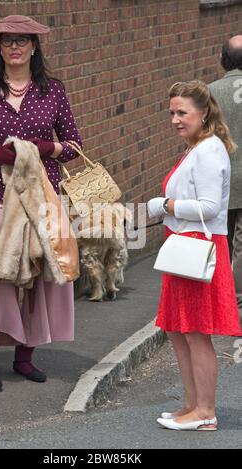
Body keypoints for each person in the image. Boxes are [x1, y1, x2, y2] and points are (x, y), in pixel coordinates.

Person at [0, 15, 82, 392]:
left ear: (34, 47)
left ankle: (25, 358)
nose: (15, 47)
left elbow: (74, 145)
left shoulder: (53, 91)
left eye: (22, 41)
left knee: (39, 275)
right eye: (8, 41)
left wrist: (46, 148)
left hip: (41, 197)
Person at [147, 80, 242, 431]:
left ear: (204, 113)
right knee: (179, 330)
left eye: (182, 112)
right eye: (172, 112)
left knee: (196, 332)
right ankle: (191, 405)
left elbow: (210, 206)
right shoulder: (197, 147)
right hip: (185, 248)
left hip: (198, 250)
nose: (175, 119)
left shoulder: (208, 150)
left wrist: (165, 205)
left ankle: (205, 411)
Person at [209, 35, 242, 321]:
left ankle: (219, 299)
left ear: (223, 60)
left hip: (219, 182)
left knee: (221, 239)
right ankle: (238, 303)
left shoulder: (209, 93)